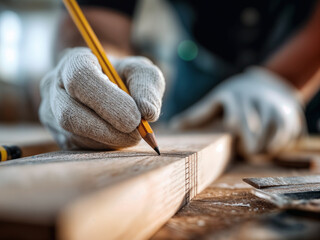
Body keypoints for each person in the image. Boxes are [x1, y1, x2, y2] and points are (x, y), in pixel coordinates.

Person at [39, 0, 320, 155]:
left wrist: (281, 82)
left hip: (307, 65)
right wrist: (98, 67)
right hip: (199, 66)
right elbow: (96, 18)